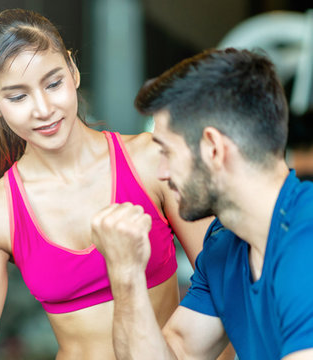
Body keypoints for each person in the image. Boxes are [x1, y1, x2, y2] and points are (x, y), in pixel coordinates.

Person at [0, 8, 212, 359]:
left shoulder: (150, 162)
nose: (43, 108)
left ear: (73, 70)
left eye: (53, 83)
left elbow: (225, 285)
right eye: (18, 97)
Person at [91, 48, 313, 359]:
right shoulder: (225, 245)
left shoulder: (306, 239)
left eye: (167, 152)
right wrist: (126, 275)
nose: (162, 173)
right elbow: (176, 352)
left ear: (212, 148)